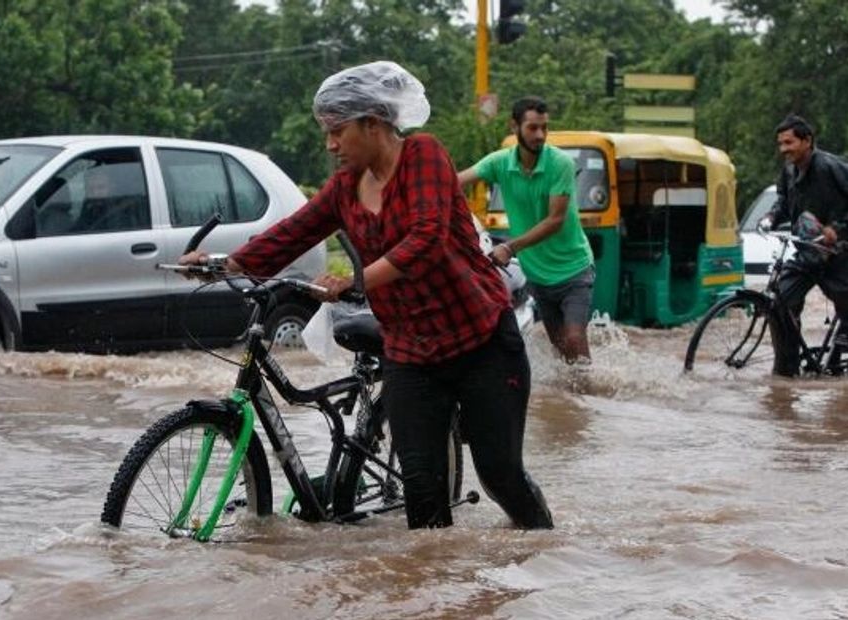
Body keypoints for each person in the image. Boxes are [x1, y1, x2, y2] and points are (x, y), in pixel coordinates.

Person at [179, 61, 553, 530]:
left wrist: (357, 282)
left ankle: (542, 554)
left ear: (372, 123)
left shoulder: (424, 156)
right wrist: (223, 263)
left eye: (337, 131)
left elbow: (427, 238)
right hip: (412, 353)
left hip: (481, 343)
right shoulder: (344, 190)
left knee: (501, 476)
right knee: (421, 489)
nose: (330, 145)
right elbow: (292, 233)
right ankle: (436, 598)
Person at [457, 96, 595, 364]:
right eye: (532, 128)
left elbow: (555, 220)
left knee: (575, 339)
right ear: (514, 126)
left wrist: (510, 247)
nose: (540, 135)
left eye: (544, 127)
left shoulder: (561, 165)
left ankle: (591, 401)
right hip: (539, 276)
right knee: (560, 349)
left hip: (574, 270)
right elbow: (455, 181)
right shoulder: (499, 163)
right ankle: (570, 404)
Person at [757, 114, 848, 381]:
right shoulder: (789, 170)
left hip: (845, 254)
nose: (784, 149)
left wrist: (838, 229)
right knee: (782, 300)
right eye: (780, 144)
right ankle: (786, 375)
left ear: (807, 141)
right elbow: (784, 201)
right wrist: (771, 217)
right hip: (809, 251)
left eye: (789, 142)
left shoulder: (833, 167)